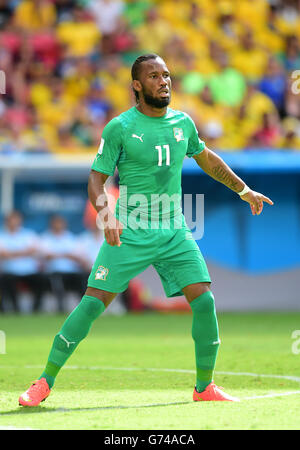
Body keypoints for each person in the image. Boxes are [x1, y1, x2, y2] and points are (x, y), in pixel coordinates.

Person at [19, 54, 274, 406]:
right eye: (154, 76)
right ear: (136, 85)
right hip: (130, 231)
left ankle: (204, 388)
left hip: (174, 230)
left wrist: (244, 191)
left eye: (167, 75)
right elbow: (96, 178)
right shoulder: (119, 127)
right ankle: (44, 381)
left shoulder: (183, 124)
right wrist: (106, 213)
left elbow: (207, 159)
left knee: (203, 300)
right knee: (93, 304)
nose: (163, 81)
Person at [0, 210, 43, 313]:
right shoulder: (2, 235)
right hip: (10, 272)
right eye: (12, 220)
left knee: (42, 280)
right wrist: (25, 252)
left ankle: (35, 310)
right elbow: (3, 254)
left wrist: (12, 253)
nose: (14, 222)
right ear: (6, 221)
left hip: (29, 272)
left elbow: (35, 250)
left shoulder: (29, 234)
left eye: (16, 219)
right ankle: (16, 310)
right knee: (7, 280)